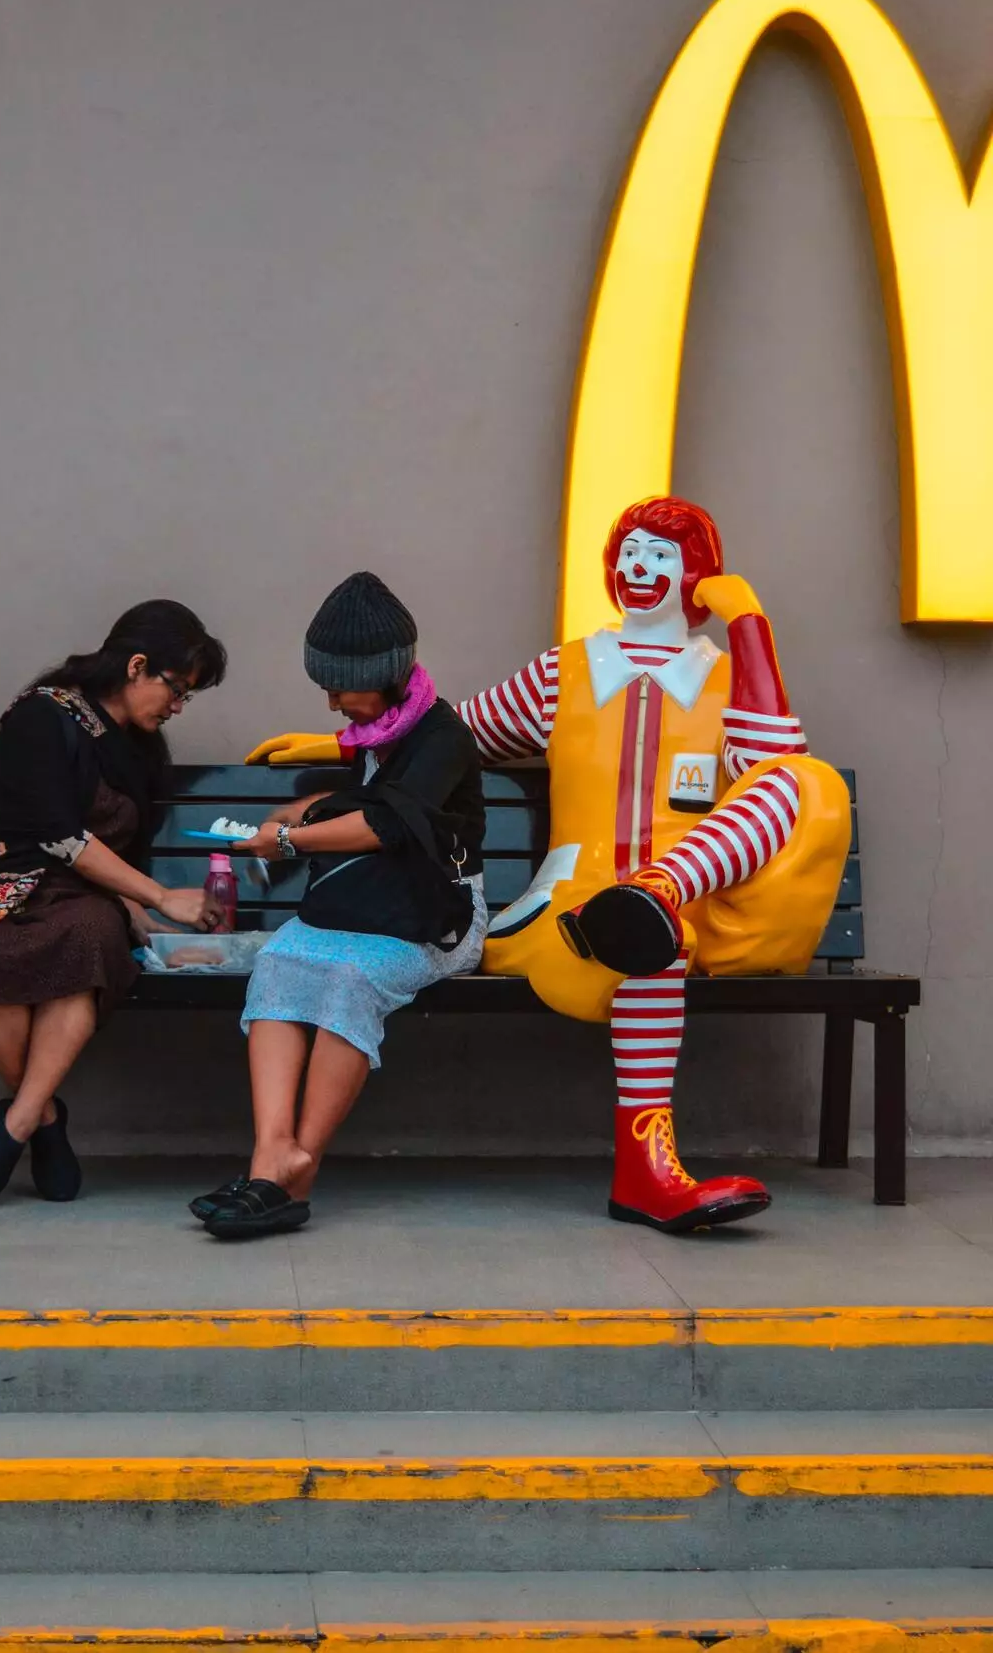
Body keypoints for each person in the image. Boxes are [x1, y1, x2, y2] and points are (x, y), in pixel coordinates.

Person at [249, 499, 851, 1235]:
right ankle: (646, 1172)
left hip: (699, 906)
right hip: (573, 915)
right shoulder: (566, 671)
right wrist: (336, 743)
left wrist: (749, 625)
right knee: (648, 950)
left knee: (805, 782)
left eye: (662, 555)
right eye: (629, 550)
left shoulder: (725, 680)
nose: (640, 567)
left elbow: (767, 770)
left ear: (699, 575)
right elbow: (446, 735)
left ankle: (660, 889)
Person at [191, 572, 486, 1240]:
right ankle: (272, 1153)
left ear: (382, 674)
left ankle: (301, 1168)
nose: (330, 702)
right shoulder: (377, 731)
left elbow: (386, 827)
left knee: (350, 977)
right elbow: (360, 804)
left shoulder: (441, 737)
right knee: (281, 963)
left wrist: (288, 838)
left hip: (439, 916)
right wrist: (305, 809)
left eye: (339, 686)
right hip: (370, 903)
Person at [0, 600, 227, 1210]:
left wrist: (134, 906)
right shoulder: (40, 717)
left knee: (87, 943)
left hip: (85, 897)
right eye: (178, 689)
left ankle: (15, 1126)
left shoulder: (138, 747)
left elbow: (119, 849)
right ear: (137, 666)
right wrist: (159, 897)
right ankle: (46, 1120)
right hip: (5, 877)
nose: (178, 707)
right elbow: (60, 835)